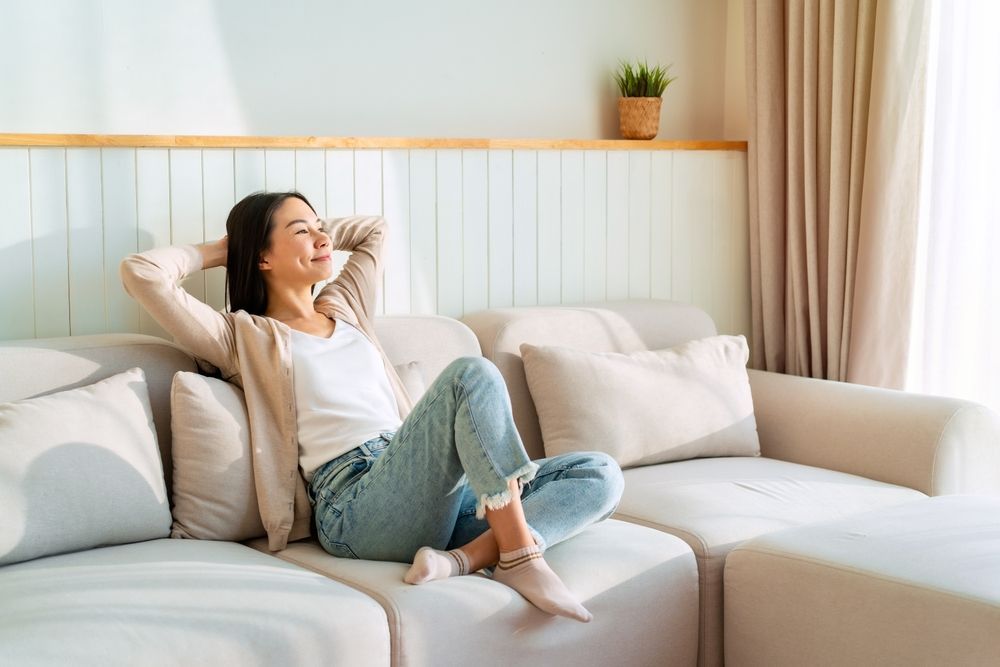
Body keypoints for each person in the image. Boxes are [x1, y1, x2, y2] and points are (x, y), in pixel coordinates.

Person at [120, 191, 624, 622]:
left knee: (599, 472)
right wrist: (229, 248)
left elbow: (373, 231)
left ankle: (462, 561)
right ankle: (519, 556)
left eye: (322, 228)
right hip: (354, 501)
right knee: (471, 373)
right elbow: (142, 273)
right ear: (262, 257)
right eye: (302, 231)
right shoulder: (242, 337)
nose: (322, 239)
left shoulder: (345, 307)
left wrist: (305, 231)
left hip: (432, 490)